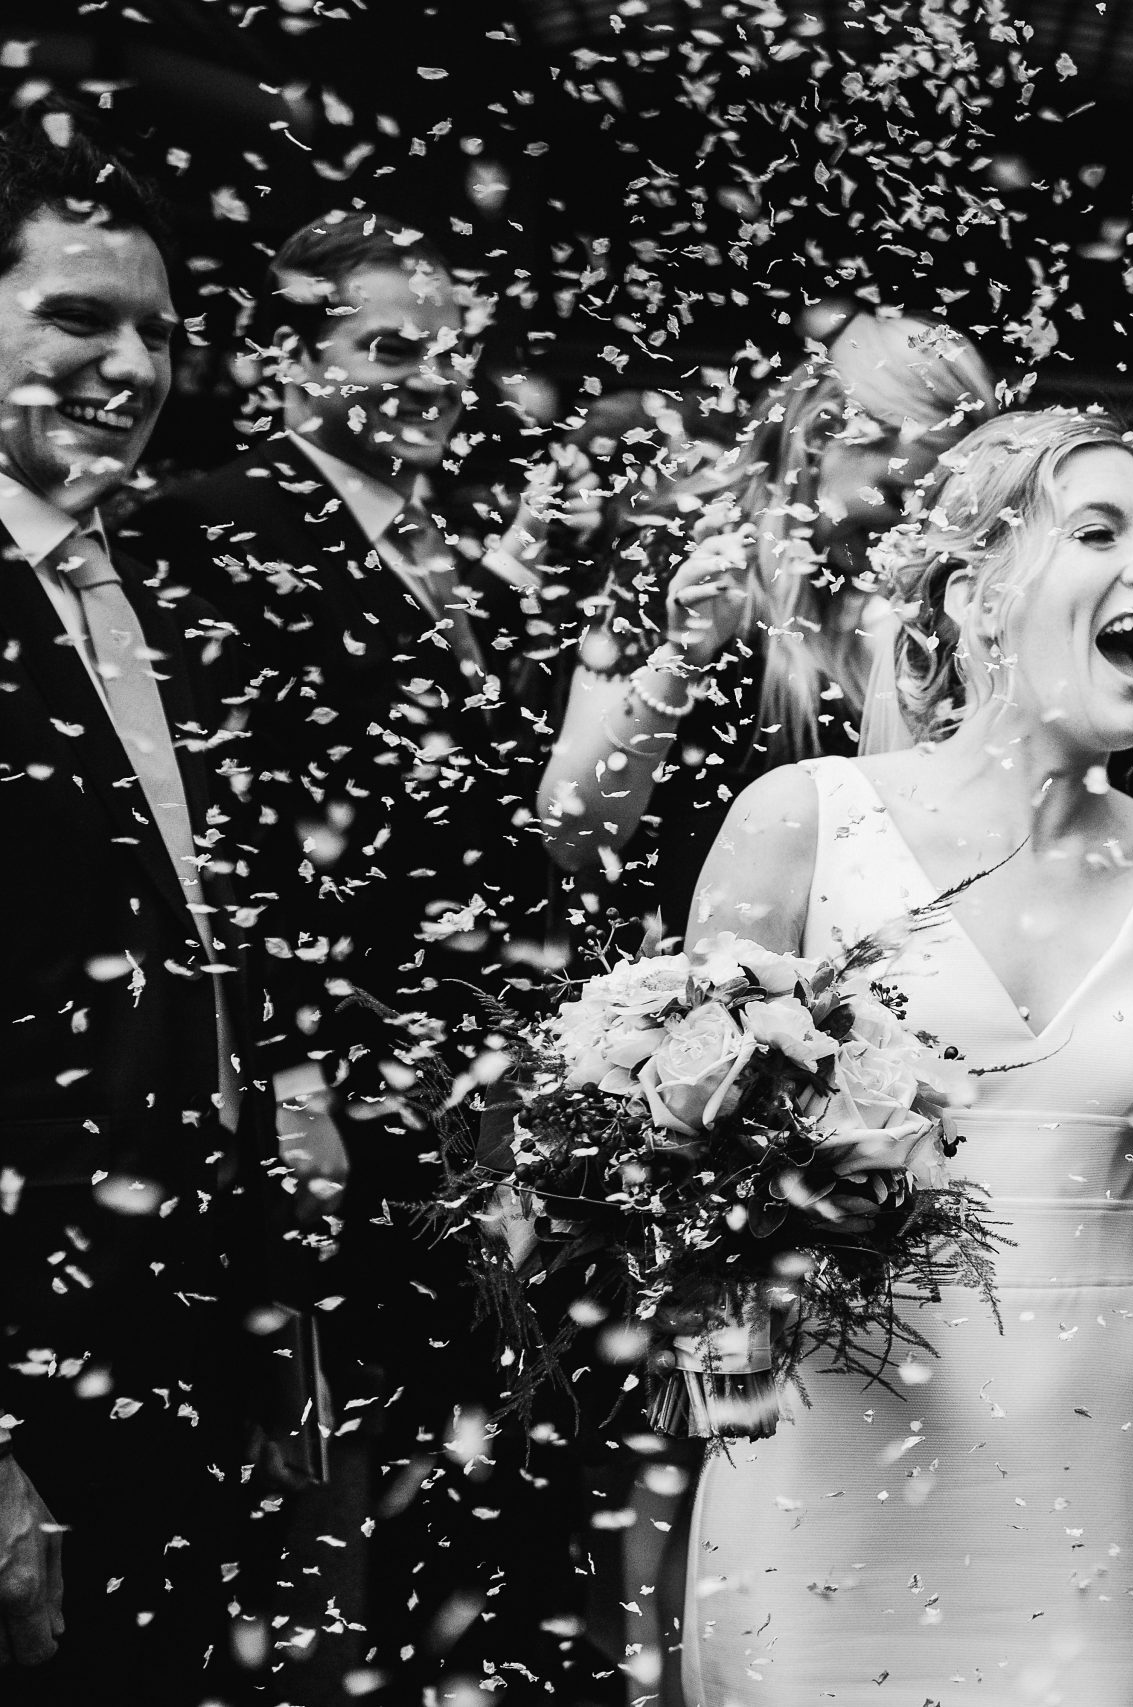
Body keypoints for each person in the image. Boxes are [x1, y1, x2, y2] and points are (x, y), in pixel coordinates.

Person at [674, 408, 1133, 1704]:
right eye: (1100, 529)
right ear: (972, 591)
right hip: (824, 1476)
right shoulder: (801, 825)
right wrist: (738, 1304)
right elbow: (680, 1182)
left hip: (1094, 1492)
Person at [122, 208, 605, 1700]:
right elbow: (232, 821)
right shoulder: (204, 522)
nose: (429, 378)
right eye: (387, 348)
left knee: (503, 1472)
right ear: (281, 359)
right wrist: (294, 1068)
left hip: (495, 1091)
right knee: (357, 1493)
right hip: (350, 1092)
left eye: (449, 349)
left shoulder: (466, 551)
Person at [0, 106, 278, 1703]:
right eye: (78, 316)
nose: (130, 364)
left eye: (159, 331)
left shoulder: (159, 598)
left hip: (174, 1349)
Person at [539, 311, 997, 934]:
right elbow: (573, 832)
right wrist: (684, 655)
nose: (904, 534)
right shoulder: (683, 558)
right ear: (821, 434)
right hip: (690, 986)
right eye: (893, 499)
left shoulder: (930, 601)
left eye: (934, 509)